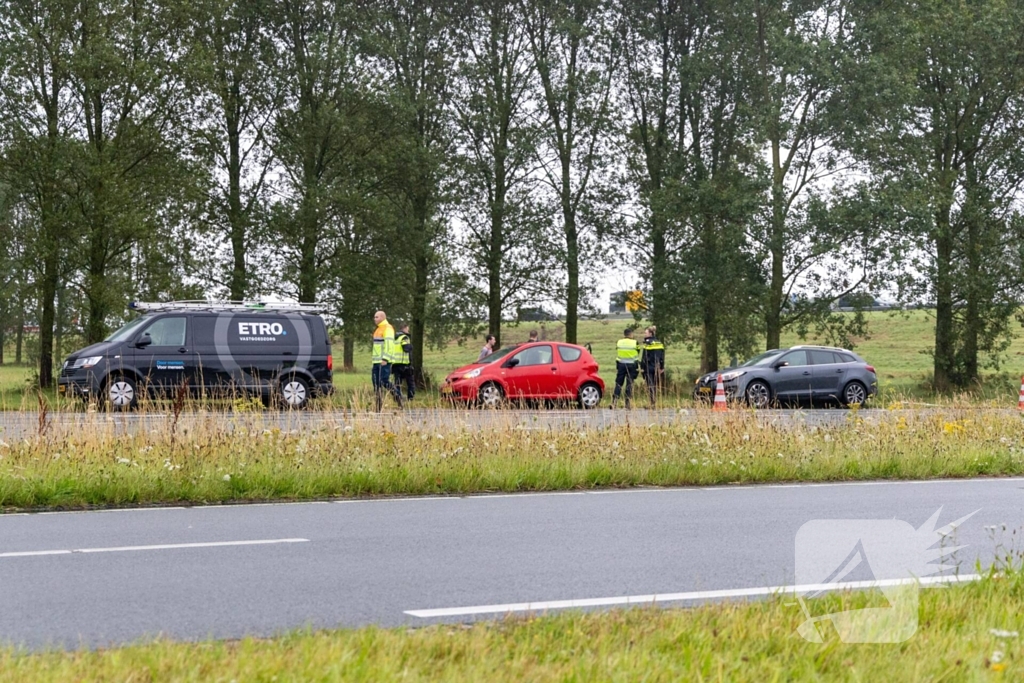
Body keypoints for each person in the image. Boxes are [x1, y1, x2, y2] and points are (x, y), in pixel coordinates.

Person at [371, 310, 402, 411]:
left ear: (383, 317)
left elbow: (389, 345)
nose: (374, 319)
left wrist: (385, 358)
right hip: (376, 361)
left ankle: (398, 396)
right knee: (376, 383)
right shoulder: (378, 329)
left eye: (377, 317)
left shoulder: (387, 328)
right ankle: (378, 406)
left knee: (384, 381)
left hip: (383, 361)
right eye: (374, 317)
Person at [611, 327, 640, 409]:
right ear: (631, 334)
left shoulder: (619, 342)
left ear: (624, 334)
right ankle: (627, 403)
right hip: (632, 366)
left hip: (621, 365)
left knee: (618, 384)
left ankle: (614, 402)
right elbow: (638, 351)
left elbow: (618, 350)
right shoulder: (635, 342)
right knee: (629, 384)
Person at [640, 326, 666, 408]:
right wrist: (662, 367)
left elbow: (644, 357)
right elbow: (662, 357)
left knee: (650, 385)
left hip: (648, 367)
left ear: (650, 333)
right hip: (657, 367)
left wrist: (642, 367)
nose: (645, 334)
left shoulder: (647, 344)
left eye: (646, 333)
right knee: (654, 385)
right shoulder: (659, 343)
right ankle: (653, 402)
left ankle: (652, 403)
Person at [392, 323, 415, 401]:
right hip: (404, 364)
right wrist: (411, 346)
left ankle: (397, 397)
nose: (408, 330)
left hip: (395, 364)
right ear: (404, 328)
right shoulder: (404, 337)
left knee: (397, 383)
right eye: (407, 328)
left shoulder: (395, 338)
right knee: (410, 383)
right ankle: (410, 399)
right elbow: (406, 348)